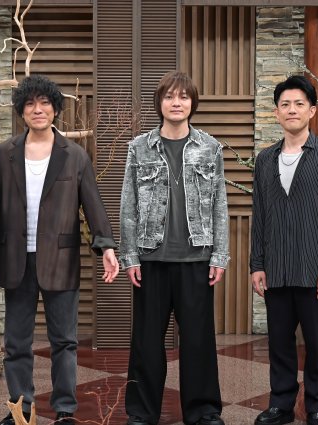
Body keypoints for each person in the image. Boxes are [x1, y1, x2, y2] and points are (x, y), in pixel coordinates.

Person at [0, 74, 119, 425]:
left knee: (64, 342)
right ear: (21, 111)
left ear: (56, 109)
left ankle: (64, 410)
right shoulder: (2, 155)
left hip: (61, 260)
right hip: (15, 260)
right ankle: (20, 409)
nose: (38, 109)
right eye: (30, 103)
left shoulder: (74, 156)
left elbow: (93, 205)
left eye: (45, 103)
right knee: (16, 342)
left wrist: (106, 246)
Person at [119, 71, 230, 425]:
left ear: (192, 103)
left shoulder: (210, 147)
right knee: (146, 342)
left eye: (183, 96)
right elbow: (128, 206)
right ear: (160, 103)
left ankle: (204, 411)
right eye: (169, 96)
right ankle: (141, 412)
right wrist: (130, 257)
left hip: (197, 258)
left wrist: (219, 256)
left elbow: (219, 205)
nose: (176, 102)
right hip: (151, 259)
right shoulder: (139, 147)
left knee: (198, 341)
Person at [250, 75, 318, 425]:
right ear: (276, 112)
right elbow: (260, 216)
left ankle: (317, 406)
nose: (291, 110)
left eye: (298, 104)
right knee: (279, 344)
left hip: (315, 271)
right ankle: (280, 405)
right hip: (276, 269)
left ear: (311, 110)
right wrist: (257, 264)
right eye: (285, 104)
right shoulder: (265, 159)